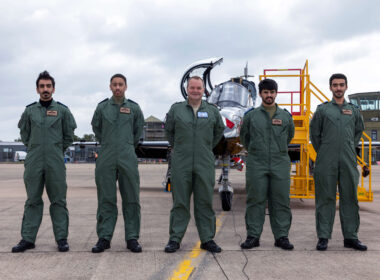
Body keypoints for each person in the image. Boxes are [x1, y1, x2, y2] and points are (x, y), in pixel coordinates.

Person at [12, 71, 76, 253]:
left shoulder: (63, 111)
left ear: (53, 89)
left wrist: (55, 149)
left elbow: (68, 135)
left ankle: (62, 239)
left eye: (48, 86)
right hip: (34, 160)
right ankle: (28, 238)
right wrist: (35, 148)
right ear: (37, 89)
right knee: (32, 200)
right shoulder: (29, 111)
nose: (45, 89)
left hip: (55, 160)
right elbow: (24, 134)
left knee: (58, 200)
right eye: (42, 86)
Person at [164, 76, 225, 253]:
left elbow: (218, 132)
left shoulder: (212, 111)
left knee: (204, 201)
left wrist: (204, 147)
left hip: (204, 161)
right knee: (180, 202)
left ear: (203, 90)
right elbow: (169, 131)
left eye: (199, 88)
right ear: (187, 89)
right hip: (181, 161)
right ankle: (175, 239)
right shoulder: (176, 109)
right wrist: (181, 147)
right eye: (192, 88)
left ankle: (207, 239)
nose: (196, 91)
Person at [310, 73, 366, 251]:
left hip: (348, 159)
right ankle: (323, 237)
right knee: (325, 198)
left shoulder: (354, 111)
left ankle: (351, 237)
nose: (338, 88)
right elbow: (315, 135)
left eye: (341, 85)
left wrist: (348, 147)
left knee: (350, 198)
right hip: (326, 159)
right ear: (330, 88)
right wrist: (326, 149)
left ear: (346, 87)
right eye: (335, 85)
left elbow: (358, 131)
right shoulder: (322, 110)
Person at [91, 74, 144, 253]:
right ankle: (104, 238)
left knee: (131, 198)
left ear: (126, 87)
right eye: (114, 84)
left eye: (121, 84)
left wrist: (127, 145)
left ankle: (132, 238)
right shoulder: (102, 107)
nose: (117, 87)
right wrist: (108, 143)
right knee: (106, 198)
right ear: (110, 86)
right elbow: (96, 128)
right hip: (106, 155)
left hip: (127, 155)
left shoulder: (134, 108)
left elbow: (138, 132)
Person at [240, 79, 295, 250]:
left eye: (272, 92)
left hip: (280, 162)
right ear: (261, 94)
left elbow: (289, 136)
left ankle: (281, 236)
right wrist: (257, 151)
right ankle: (253, 236)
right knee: (255, 199)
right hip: (257, 162)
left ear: (276, 93)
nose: (269, 95)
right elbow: (244, 138)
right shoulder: (251, 116)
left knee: (281, 200)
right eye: (265, 92)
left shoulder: (285, 116)